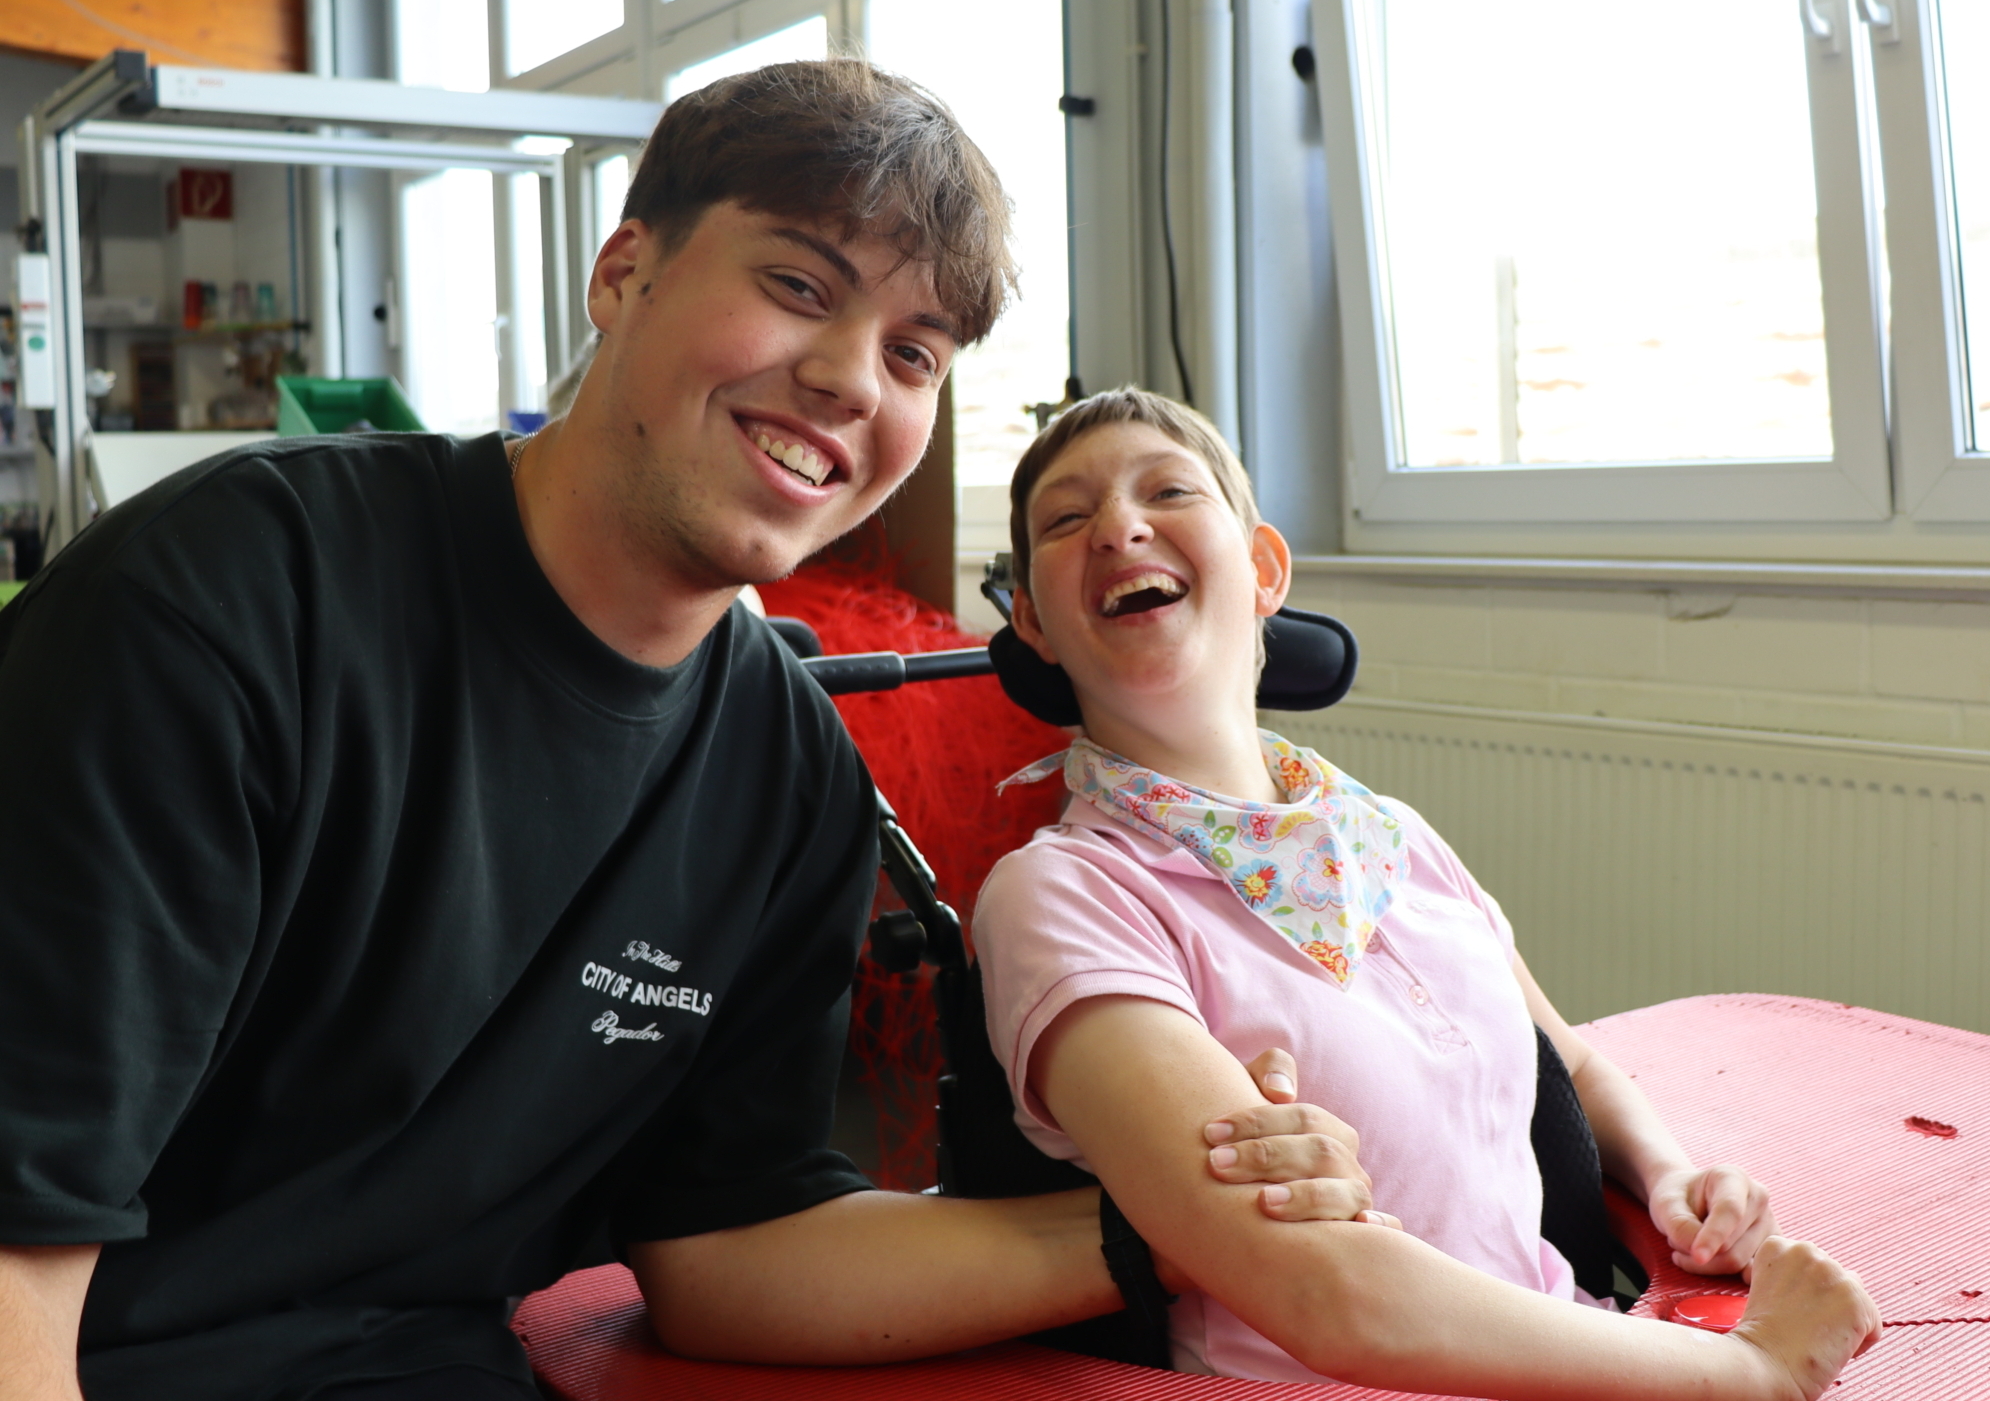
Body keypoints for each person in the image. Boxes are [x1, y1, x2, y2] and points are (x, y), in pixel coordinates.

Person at [0, 64, 1379, 1401]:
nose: (850, 380)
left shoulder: (787, 778)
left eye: (911, 353)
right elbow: (23, 1216)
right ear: (623, 274)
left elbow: (726, 1245)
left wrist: (1177, 1220)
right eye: (798, 286)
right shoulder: (234, 599)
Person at [973, 387, 1884, 1399]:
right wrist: (1744, 1370)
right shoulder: (1063, 895)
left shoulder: (1391, 837)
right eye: (1068, 517)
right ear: (1032, 622)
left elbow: (1570, 1067)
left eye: (1169, 491)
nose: (1119, 527)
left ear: (1265, 569)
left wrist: (1669, 1176)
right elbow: (1325, 1293)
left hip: (1575, 1350)